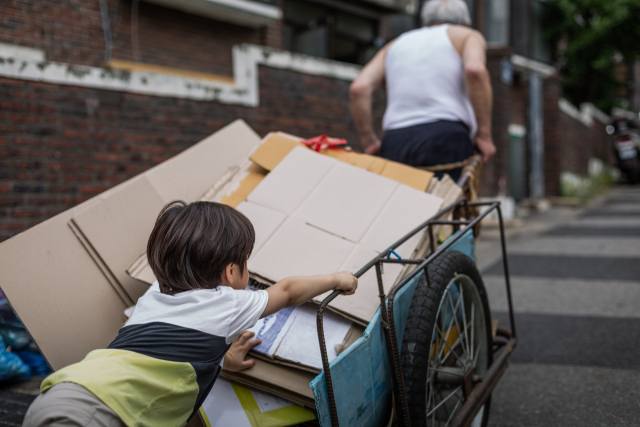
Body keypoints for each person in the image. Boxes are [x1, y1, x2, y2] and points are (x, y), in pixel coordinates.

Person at [22, 201, 358, 427]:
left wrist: (223, 360)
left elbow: (167, 356)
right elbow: (286, 292)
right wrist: (336, 278)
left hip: (66, 392)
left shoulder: (155, 293)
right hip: (104, 414)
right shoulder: (229, 303)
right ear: (230, 274)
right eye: (245, 265)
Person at [349, 0, 496, 181]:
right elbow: (475, 71)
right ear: (464, 23)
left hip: (395, 140)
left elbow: (359, 88)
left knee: (399, 207)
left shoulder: (395, 45)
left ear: (424, 23)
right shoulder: (466, 36)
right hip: (446, 137)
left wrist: (369, 142)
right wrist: (484, 135)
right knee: (446, 206)